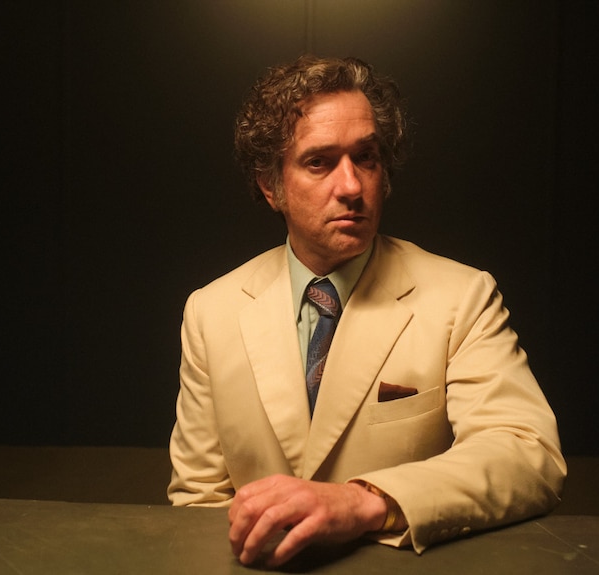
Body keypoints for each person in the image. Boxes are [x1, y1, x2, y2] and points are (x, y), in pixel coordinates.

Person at [168, 55, 566, 567]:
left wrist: (364, 501)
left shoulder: (461, 296)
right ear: (272, 187)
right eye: (319, 162)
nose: (352, 186)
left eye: (367, 157)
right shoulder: (212, 310)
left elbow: (527, 455)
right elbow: (198, 502)